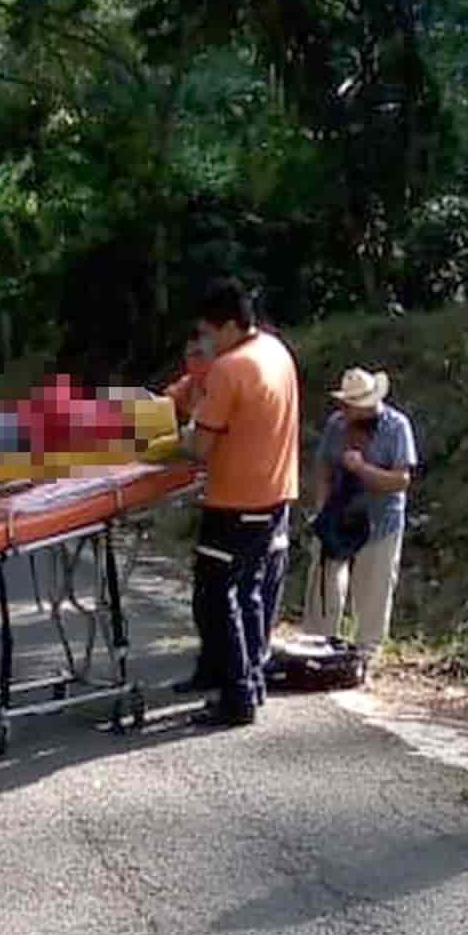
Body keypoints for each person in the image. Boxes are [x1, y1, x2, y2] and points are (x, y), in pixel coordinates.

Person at [180, 279, 300, 726]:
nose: (206, 341)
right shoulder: (276, 352)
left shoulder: (231, 368)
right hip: (273, 495)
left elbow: (201, 446)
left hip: (235, 501)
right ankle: (252, 679)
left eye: (209, 332)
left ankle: (237, 696)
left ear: (230, 326)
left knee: (215, 597)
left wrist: (174, 439)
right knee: (248, 591)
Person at [302, 368, 418, 660]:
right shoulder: (336, 426)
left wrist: (362, 469)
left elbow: (401, 480)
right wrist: (321, 509)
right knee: (325, 579)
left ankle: (366, 653)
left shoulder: (396, 427)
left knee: (374, 589)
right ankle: (318, 642)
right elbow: (324, 468)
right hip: (338, 514)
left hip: (380, 520)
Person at [163, 329, 212, 424]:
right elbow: (163, 402)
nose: (196, 361)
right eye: (191, 356)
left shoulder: (227, 383)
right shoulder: (187, 383)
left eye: (199, 354)